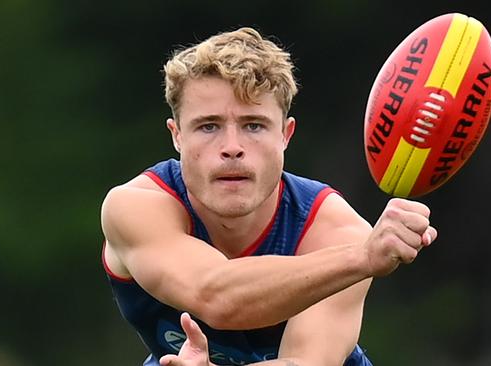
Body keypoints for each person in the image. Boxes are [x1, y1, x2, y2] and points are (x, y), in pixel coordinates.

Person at [100, 27, 437, 366]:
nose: (232, 148)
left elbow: (303, 362)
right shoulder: (135, 207)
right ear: (177, 136)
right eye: (208, 126)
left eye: (254, 126)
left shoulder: (336, 229)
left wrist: (361, 253)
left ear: (285, 134)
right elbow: (217, 296)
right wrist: (362, 258)